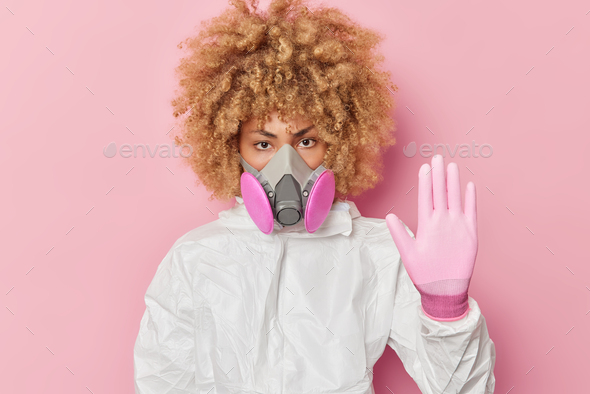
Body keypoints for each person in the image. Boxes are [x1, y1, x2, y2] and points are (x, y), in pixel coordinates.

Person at [133, 0, 496, 393]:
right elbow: (163, 382)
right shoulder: (197, 258)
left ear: (336, 144)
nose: (286, 164)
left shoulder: (378, 251)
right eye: (263, 144)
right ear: (232, 149)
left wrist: (447, 309)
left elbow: (461, 390)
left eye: (306, 141)